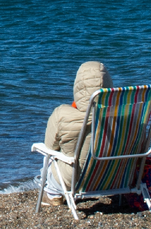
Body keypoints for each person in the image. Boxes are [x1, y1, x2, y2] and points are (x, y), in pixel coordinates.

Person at [40, 61, 113, 206]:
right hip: (115, 176)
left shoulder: (63, 114)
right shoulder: (126, 114)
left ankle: (53, 195)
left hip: (76, 180)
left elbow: (49, 148)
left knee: (49, 157)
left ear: (79, 86)